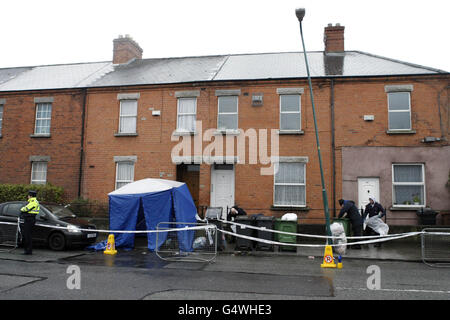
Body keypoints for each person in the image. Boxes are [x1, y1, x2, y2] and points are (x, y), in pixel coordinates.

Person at [20, 190, 40, 255]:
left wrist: (22, 209)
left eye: (28, 195)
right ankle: (28, 250)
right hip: (30, 219)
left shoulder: (33, 202)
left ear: (31, 196)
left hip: (29, 219)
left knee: (27, 235)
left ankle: (28, 251)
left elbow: (25, 209)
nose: (27, 196)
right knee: (28, 235)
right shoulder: (34, 201)